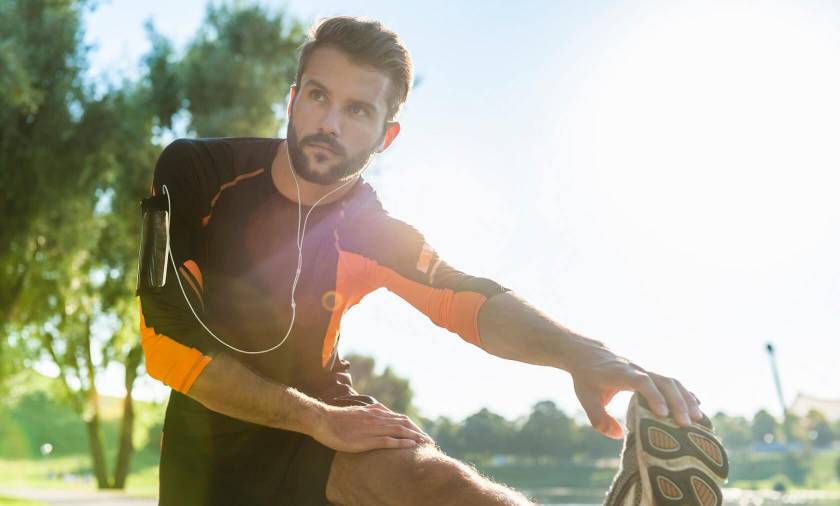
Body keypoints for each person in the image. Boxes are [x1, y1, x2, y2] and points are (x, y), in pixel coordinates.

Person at [136, 15, 727, 506]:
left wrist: (584, 356)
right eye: (318, 96)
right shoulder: (195, 173)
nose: (330, 123)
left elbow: (463, 298)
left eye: (358, 111)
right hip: (212, 453)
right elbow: (165, 342)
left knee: (442, 484)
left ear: (385, 137)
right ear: (293, 101)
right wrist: (316, 418)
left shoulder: (367, 228)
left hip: (332, 431)